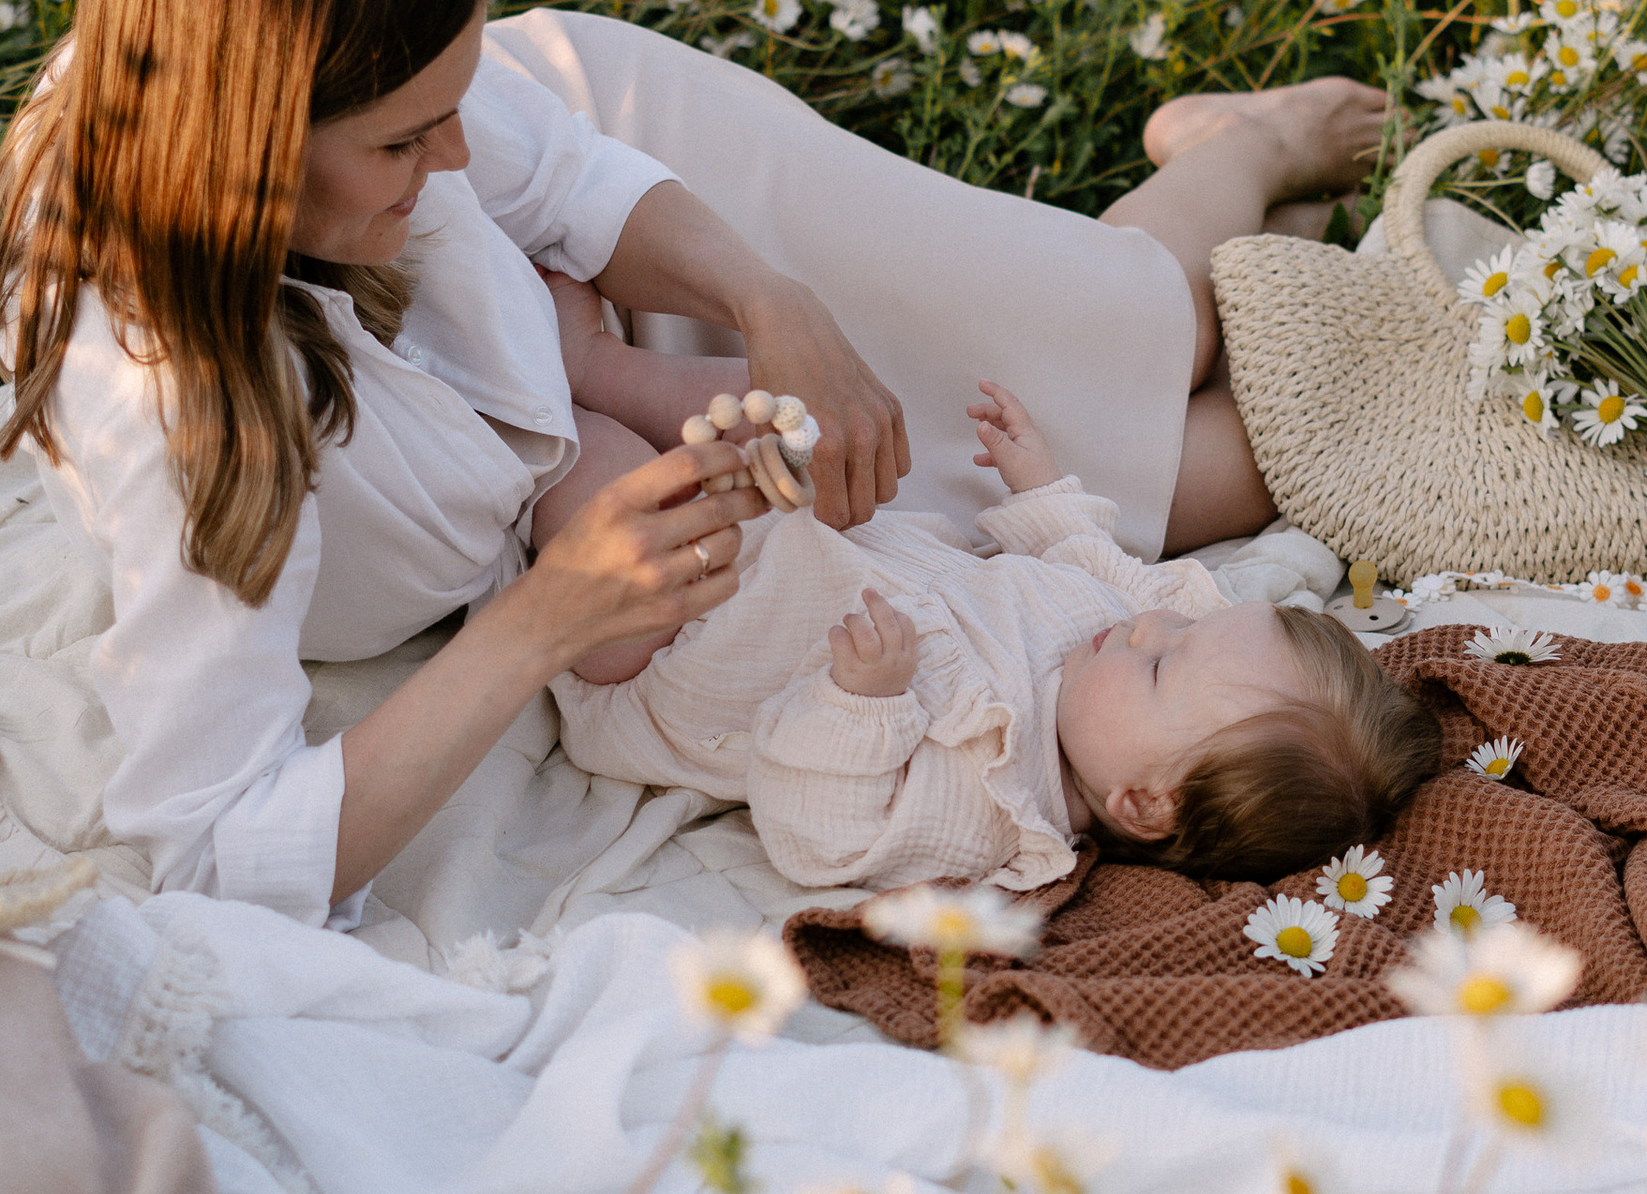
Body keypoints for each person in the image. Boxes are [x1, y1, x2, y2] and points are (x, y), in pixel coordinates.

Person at [0, 0, 1392, 923]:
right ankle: (1247, 182)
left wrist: (774, 301)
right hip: (661, 474)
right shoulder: (192, 425)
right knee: (1212, 477)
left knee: (1154, 331)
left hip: (663, 236)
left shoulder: (392, 128)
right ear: (251, 158)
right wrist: (549, 618)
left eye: (461, 101)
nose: (460, 157)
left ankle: (1240, 150)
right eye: (410, 137)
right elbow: (214, 863)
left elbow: (562, 184)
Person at [554, 376, 1437, 896]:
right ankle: (588, 364)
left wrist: (860, 704)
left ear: (1144, 803)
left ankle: (545, 403)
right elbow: (1097, 559)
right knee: (745, 397)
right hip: (785, 539)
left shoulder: (992, 806)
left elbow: (821, 835)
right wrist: (1040, 483)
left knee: (603, 474)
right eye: (1177, 628)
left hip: (677, 648)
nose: (1149, 630)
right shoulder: (1116, 651)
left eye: (1164, 664)